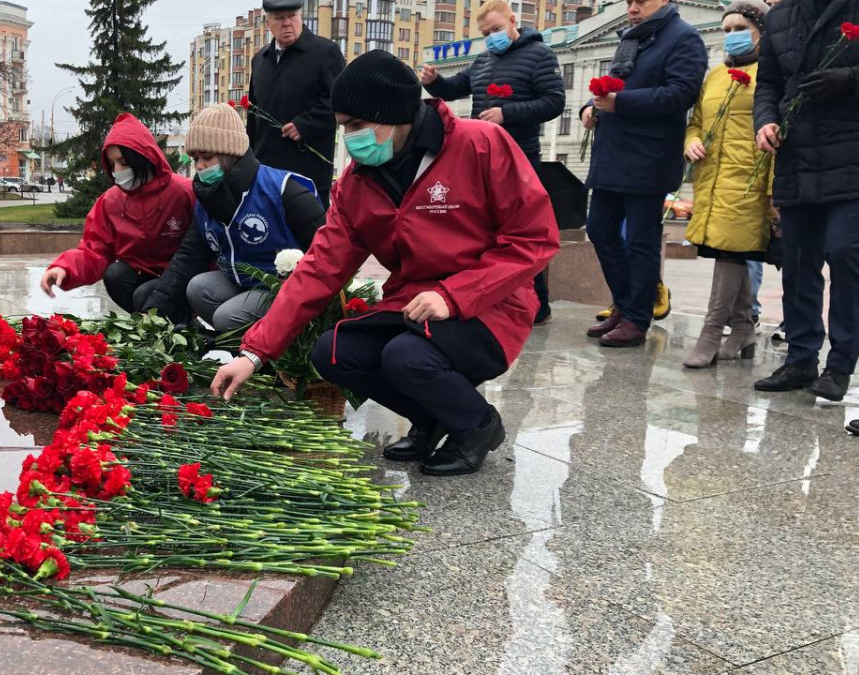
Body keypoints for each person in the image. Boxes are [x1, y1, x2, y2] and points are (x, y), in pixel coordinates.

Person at [211, 52, 559, 477]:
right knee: (334, 352)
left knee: (404, 356)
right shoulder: (358, 183)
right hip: (413, 302)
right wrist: (253, 353)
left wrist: (454, 295)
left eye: (357, 124)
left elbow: (533, 238)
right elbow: (320, 267)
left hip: (492, 300)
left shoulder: (480, 144)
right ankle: (432, 417)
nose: (350, 138)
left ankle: (477, 426)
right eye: (343, 126)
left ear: (394, 114)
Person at [752, 0, 859, 405]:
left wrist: (852, 78)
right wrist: (765, 121)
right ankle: (800, 358)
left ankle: (839, 366)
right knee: (798, 262)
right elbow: (768, 83)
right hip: (799, 155)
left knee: (846, 252)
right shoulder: (780, 15)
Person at [420, 0, 565, 326]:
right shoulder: (483, 60)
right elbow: (455, 88)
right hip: (481, 157)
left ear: (513, 21)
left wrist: (506, 113)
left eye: (496, 29)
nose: (491, 38)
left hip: (520, 157)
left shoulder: (540, 55)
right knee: (481, 230)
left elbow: (555, 101)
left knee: (523, 232)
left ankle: (538, 303)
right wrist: (434, 81)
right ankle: (490, 295)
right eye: (485, 33)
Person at [582, 0, 708, 347]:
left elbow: (680, 94)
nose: (632, 8)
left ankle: (637, 317)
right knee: (599, 229)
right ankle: (625, 304)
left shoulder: (683, 37)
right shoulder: (631, 38)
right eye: (628, 2)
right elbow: (612, 86)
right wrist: (589, 108)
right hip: (612, 153)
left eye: (640, 1)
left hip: (649, 157)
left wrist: (620, 103)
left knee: (641, 240)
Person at [141, 104, 325, 332]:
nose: (199, 166)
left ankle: (270, 346)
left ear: (229, 154)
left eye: (207, 157)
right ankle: (243, 343)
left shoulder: (281, 190)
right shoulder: (207, 198)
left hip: (282, 287)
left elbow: (326, 246)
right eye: (195, 158)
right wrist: (152, 314)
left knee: (226, 317)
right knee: (198, 288)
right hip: (241, 281)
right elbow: (189, 256)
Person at [680, 0, 772, 368]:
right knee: (728, 252)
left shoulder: (771, 73)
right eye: (727, 30)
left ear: (761, 32)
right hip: (712, 180)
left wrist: (773, 190)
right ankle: (744, 327)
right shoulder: (716, 75)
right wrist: (691, 142)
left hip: (750, 180)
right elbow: (695, 123)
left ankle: (711, 331)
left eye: (741, 29)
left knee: (730, 254)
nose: (732, 36)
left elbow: (778, 130)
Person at [39, 113, 194, 318]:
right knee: (115, 275)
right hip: (142, 277)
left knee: (143, 295)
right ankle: (150, 324)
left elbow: (204, 245)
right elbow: (93, 251)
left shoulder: (183, 192)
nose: (117, 171)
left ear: (143, 157)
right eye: (112, 164)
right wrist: (64, 269)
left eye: (123, 162)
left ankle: (182, 321)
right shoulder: (110, 201)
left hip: (182, 277)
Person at [246, 0, 345, 209]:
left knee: (310, 230)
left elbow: (338, 102)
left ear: (301, 17)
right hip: (265, 175)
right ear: (268, 22)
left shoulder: (326, 52)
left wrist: (305, 125)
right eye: (279, 18)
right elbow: (253, 114)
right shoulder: (260, 60)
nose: (287, 23)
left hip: (307, 176)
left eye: (292, 16)